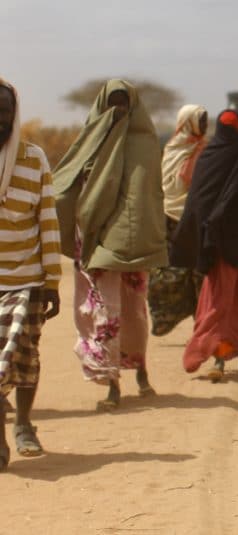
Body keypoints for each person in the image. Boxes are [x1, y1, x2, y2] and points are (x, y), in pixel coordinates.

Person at [52, 79, 166, 411]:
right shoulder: (90, 140)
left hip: (132, 240)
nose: (117, 110)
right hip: (93, 239)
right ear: (101, 106)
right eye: (112, 103)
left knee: (134, 311)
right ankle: (113, 382)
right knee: (105, 311)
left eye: (123, 103)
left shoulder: (144, 144)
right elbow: (67, 182)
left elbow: (149, 195)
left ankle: (141, 371)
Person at [171, 110, 238, 381]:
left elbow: (198, 203)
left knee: (219, 301)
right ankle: (225, 359)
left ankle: (220, 356)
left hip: (224, 242)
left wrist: (198, 237)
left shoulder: (209, 157)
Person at [0, 78, 62, 469]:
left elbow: (48, 222)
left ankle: (23, 423)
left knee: (22, 355)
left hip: (27, 279)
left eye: (4, 108)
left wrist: (52, 281)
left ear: (14, 113)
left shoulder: (34, 159)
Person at [147, 104, 207, 336]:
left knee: (197, 274)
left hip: (188, 217)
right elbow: (177, 180)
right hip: (174, 218)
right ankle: (168, 316)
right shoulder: (175, 148)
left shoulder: (189, 148)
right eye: (199, 121)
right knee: (174, 272)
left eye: (204, 121)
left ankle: (199, 324)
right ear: (188, 123)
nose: (202, 127)